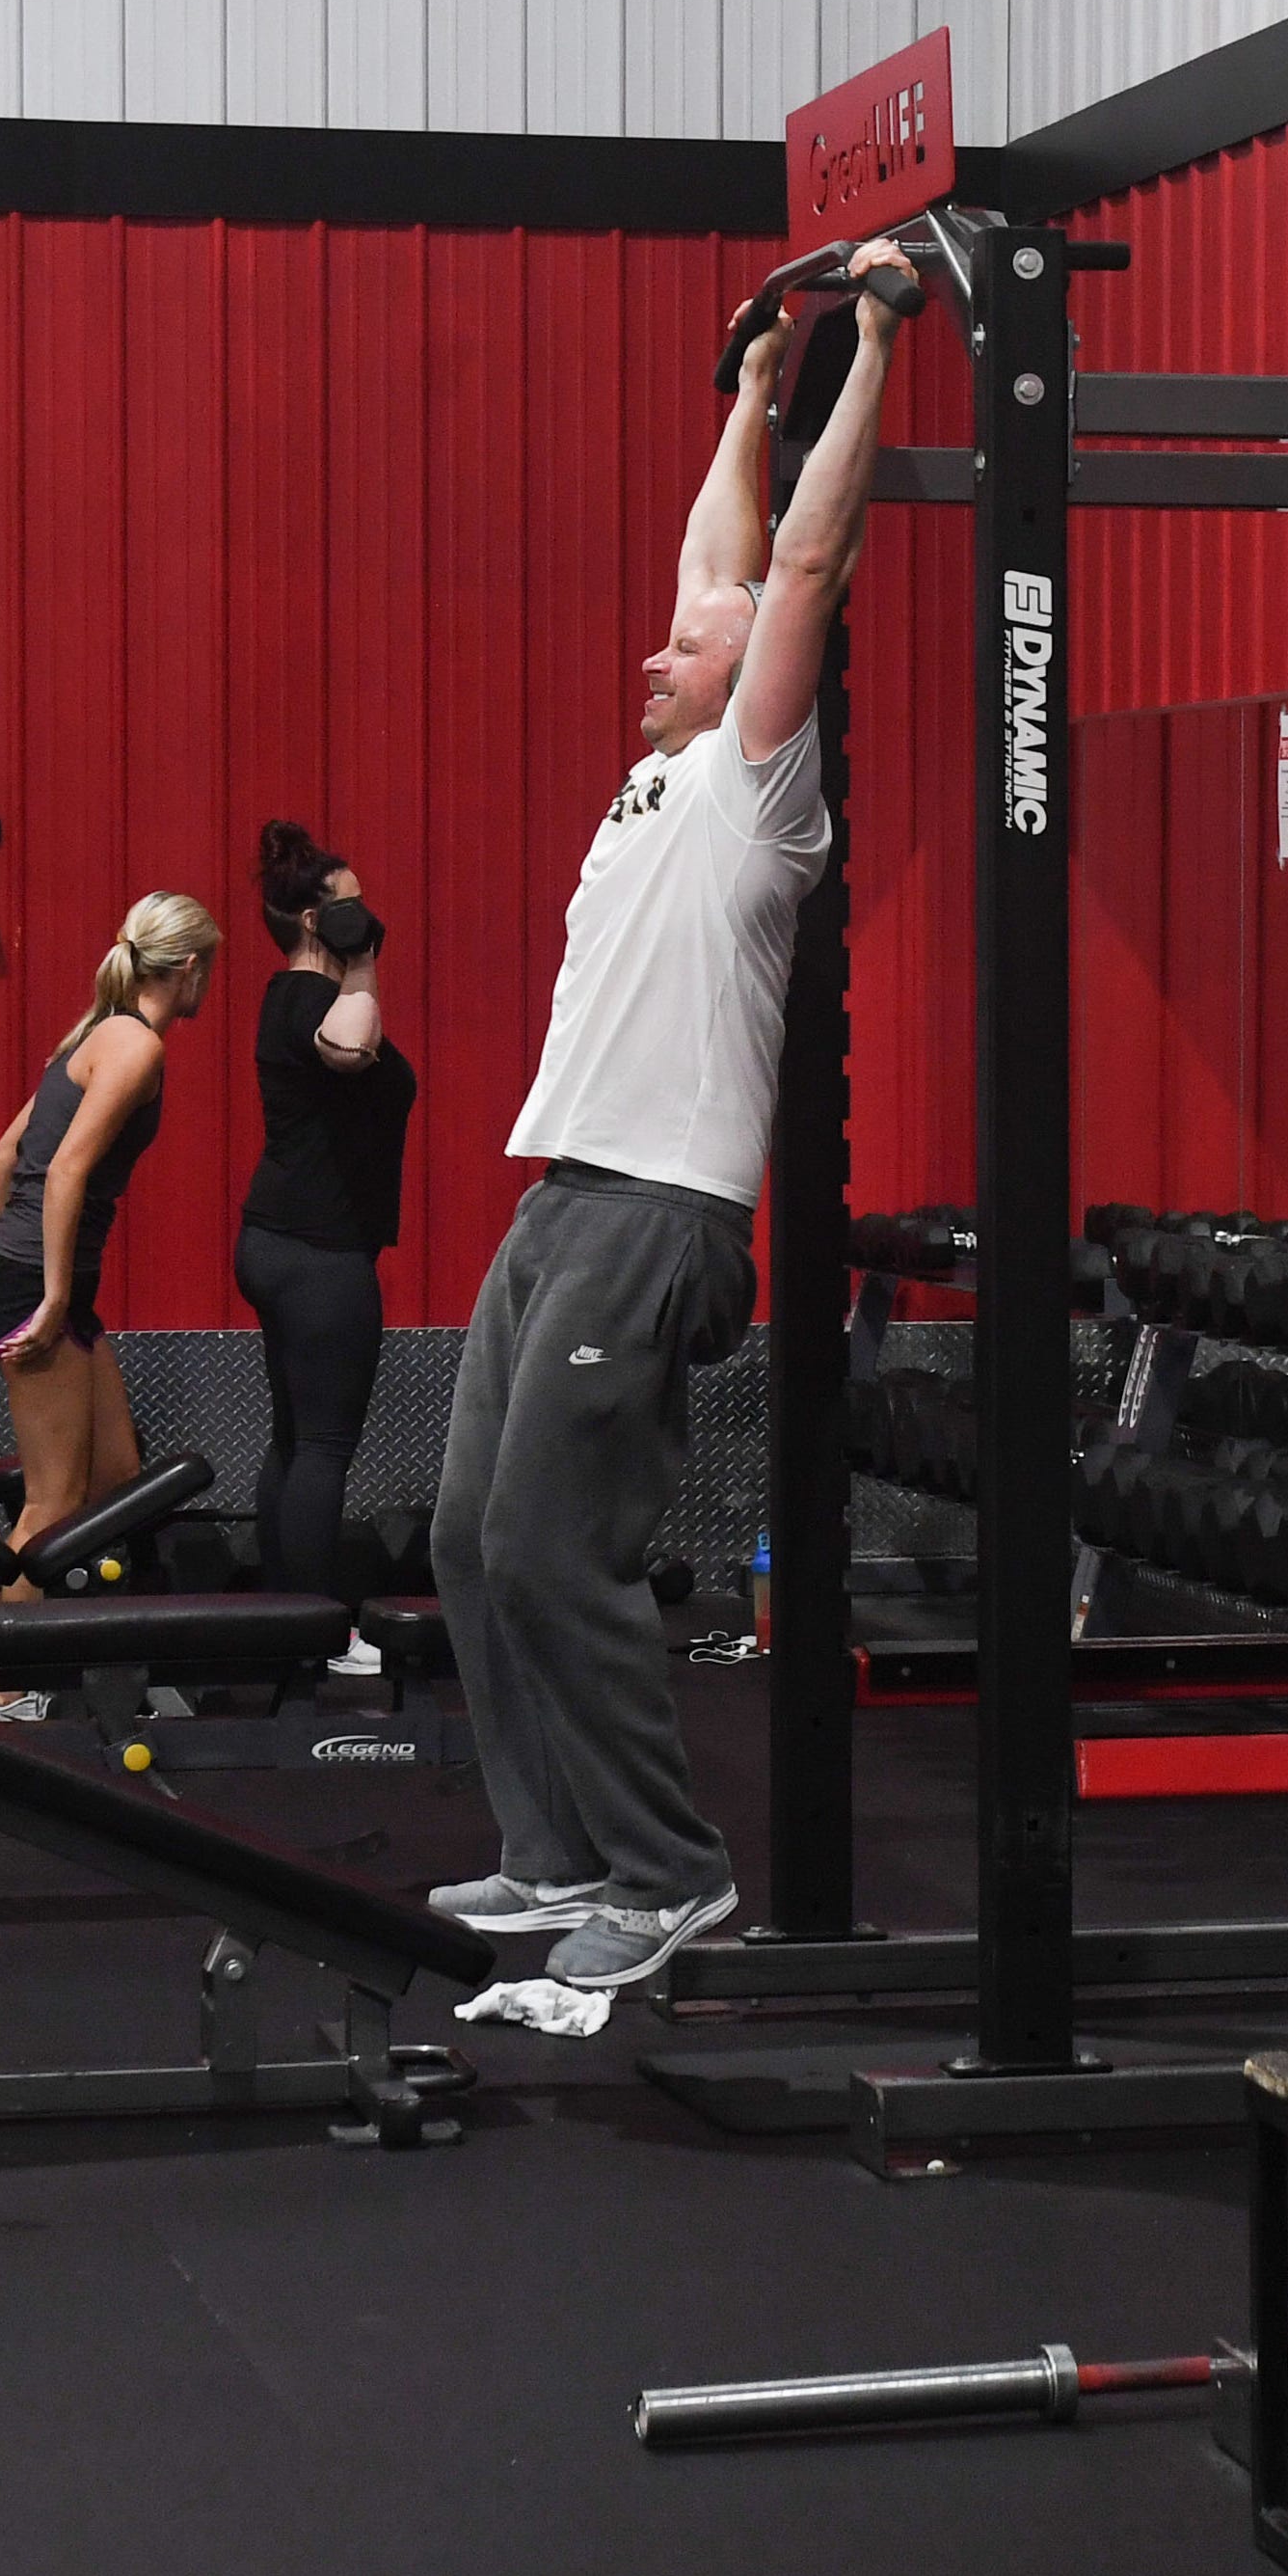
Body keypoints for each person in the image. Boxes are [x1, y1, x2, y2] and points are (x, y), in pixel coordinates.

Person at [426, 241, 912, 1993]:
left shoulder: (754, 790)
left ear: (754, 673)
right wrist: (749, 388)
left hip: (656, 1217)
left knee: (558, 1547)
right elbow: (722, 552)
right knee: (469, 1540)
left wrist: (866, 346)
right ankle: (548, 1851)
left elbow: (798, 558)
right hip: (562, 1196)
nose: (660, 641)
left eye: (687, 642)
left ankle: (665, 1868)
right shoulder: (657, 773)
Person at [0, 892, 222, 1665]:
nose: (208, 984)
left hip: (46, 1280)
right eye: (209, 970)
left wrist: (27, 1270)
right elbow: (65, 1171)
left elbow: (1, 1160)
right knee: (51, 1504)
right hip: (40, 1288)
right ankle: (2, 1683)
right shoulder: (136, 1046)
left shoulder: (93, 1032)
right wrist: (42, 1293)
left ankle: (68, 1645)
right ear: (187, 969)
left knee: (118, 1477)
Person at [238, 821, 417, 1661]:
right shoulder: (318, 1000)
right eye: (351, 908)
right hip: (318, 1255)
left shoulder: (289, 996)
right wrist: (365, 962)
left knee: (294, 1438)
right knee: (322, 1446)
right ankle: (314, 1635)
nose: (366, 918)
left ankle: (281, 1622)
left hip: (278, 1242)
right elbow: (351, 1047)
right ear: (315, 920)